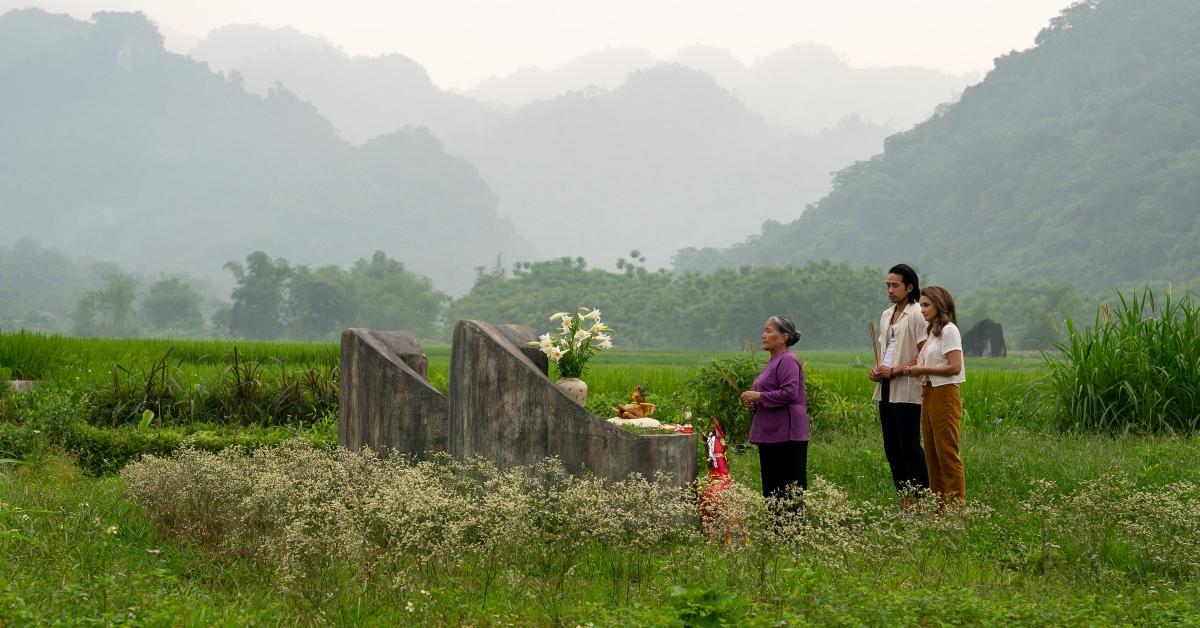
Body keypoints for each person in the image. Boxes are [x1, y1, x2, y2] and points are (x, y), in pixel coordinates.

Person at [869, 264, 930, 507]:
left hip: (908, 389)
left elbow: (924, 352)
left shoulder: (917, 313)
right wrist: (878, 370)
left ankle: (925, 499)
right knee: (892, 447)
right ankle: (905, 499)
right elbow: (887, 350)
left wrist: (894, 370)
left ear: (910, 287)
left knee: (909, 445)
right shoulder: (887, 314)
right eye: (888, 285)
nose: (890, 290)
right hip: (886, 388)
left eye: (895, 285)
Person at [902, 286, 966, 505]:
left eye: (926, 305)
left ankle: (956, 508)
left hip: (945, 393)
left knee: (947, 453)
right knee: (931, 454)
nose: (922, 310)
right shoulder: (934, 332)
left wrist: (924, 370)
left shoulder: (949, 330)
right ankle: (939, 508)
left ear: (939, 305)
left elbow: (955, 367)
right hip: (928, 391)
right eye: (921, 305)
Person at [740, 315, 809, 502]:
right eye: (764, 330)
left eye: (769, 331)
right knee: (772, 488)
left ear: (784, 337)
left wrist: (759, 396)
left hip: (787, 434)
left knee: (788, 488)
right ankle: (776, 529)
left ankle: (791, 529)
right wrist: (755, 403)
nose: (763, 335)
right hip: (771, 432)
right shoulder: (774, 360)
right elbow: (770, 394)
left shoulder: (787, 360)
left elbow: (789, 393)